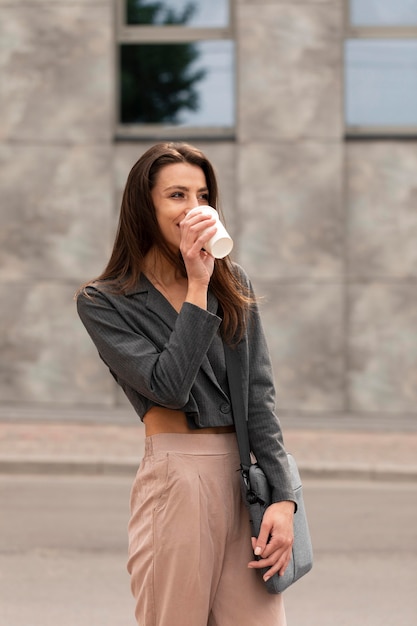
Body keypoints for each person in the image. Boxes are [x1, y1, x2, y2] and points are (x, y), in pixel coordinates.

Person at [76, 142, 296, 626]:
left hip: (245, 480)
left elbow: (257, 395)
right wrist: (198, 286)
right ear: (145, 207)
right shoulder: (105, 301)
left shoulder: (231, 281)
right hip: (175, 477)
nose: (194, 209)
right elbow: (168, 386)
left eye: (202, 195)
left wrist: (284, 496)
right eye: (177, 195)